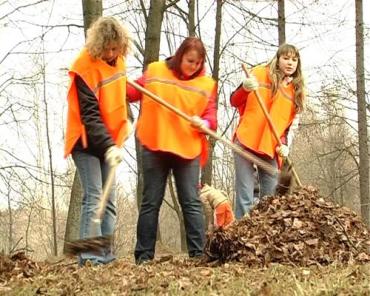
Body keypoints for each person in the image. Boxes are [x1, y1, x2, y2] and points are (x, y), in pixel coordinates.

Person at [127, 37, 217, 264]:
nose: (194, 67)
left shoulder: (206, 84)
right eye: (190, 61)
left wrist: (204, 123)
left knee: (191, 201)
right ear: (179, 56)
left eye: (198, 63)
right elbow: (131, 92)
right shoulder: (156, 71)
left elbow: (211, 117)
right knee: (151, 201)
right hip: (155, 144)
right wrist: (117, 79)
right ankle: (143, 256)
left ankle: (198, 255)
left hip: (187, 150)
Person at [64, 16, 131, 266]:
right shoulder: (84, 66)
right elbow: (90, 115)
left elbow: (119, 96)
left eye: (116, 48)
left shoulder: (119, 61)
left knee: (109, 201)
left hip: (109, 142)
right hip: (85, 141)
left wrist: (128, 119)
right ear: (98, 44)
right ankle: (89, 257)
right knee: (94, 197)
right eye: (107, 48)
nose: (111, 53)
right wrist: (109, 146)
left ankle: (105, 256)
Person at [230, 43, 305, 219]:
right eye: (286, 58)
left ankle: (263, 240)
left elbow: (289, 127)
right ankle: (242, 239)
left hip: (270, 148)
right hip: (246, 141)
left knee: (270, 200)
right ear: (277, 59)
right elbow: (234, 100)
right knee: (245, 197)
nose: (290, 63)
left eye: (294, 60)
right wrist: (244, 88)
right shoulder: (258, 73)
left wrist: (285, 145)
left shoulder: (297, 93)